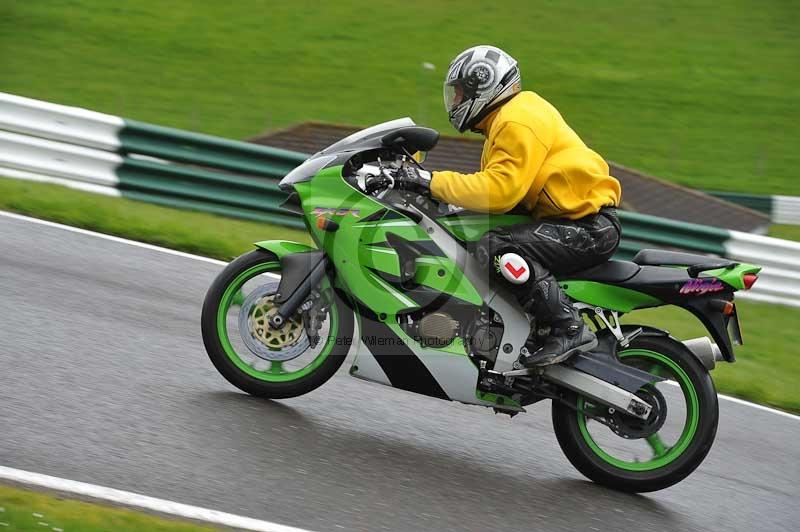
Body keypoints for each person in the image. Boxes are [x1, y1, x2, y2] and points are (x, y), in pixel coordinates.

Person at [393, 45, 622, 367]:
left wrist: (430, 182)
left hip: (586, 227)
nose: (455, 102)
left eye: (459, 93)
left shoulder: (517, 120)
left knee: (495, 246)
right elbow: (497, 190)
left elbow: (500, 191)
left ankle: (568, 326)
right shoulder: (509, 118)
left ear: (483, 86)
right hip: (575, 223)